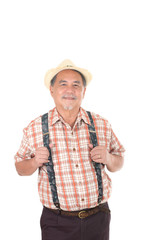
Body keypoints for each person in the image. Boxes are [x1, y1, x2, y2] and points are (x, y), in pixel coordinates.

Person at [15, 59, 125, 240]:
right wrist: (35, 162)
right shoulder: (35, 128)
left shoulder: (102, 124)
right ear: (52, 90)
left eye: (76, 85)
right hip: (57, 223)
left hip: (98, 219)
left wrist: (108, 158)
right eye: (63, 84)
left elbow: (118, 161)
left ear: (84, 91)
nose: (70, 90)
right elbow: (19, 168)